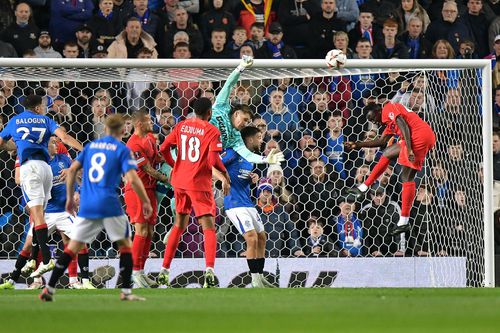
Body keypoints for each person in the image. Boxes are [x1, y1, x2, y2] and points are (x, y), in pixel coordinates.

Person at [39, 114, 152, 302]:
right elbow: (132, 178)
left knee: (72, 247)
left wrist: (69, 197)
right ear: (123, 130)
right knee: (125, 245)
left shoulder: (90, 147)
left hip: (88, 204)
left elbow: (73, 169)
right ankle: (126, 292)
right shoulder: (121, 149)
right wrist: (145, 201)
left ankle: (49, 289)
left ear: (106, 129)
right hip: (109, 204)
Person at [0, 95, 83, 278]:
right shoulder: (46, 120)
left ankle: (46, 260)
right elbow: (65, 137)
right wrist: (83, 150)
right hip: (46, 169)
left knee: (36, 215)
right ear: (38, 108)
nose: (45, 109)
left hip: (29, 167)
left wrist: (7, 144)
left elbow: (2, 143)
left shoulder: (15, 121)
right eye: (44, 106)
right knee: (41, 217)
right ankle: (33, 261)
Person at [0, 137, 94, 290]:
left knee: (80, 241)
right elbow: (21, 180)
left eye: (56, 142)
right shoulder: (37, 165)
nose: (56, 145)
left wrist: (73, 179)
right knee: (28, 246)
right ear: (44, 146)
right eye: (52, 143)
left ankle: (84, 281)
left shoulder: (63, 158)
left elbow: (77, 174)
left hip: (64, 212)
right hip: (45, 213)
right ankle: (12, 281)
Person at [157, 97, 231, 288]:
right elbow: (214, 159)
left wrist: (175, 166)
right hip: (199, 184)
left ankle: (164, 269)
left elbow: (164, 148)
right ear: (209, 113)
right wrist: (224, 174)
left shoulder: (182, 126)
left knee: (178, 225)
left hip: (180, 183)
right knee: (208, 227)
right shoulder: (211, 130)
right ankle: (209, 271)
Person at [345, 102, 436, 235]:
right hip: (422, 135)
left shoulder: (388, 108)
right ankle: (363, 188)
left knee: (406, 177)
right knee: (387, 153)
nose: (374, 123)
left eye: (373, 118)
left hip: (417, 136)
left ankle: (404, 221)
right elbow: (381, 142)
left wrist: (409, 149)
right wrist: (358, 144)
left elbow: (403, 125)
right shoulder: (389, 124)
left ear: (377, 111)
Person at [222, 126, 275, 288]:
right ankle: (255, 281)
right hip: (234, 204)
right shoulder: (232, 152)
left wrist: (253, 179)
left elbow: (240, 178)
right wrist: (221, 179)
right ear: (250, 139)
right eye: (259, 137)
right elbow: (213, 164)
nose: (261, 140)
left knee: (262, 237)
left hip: (247, 202)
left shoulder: (250, 158)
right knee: (251, 238)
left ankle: (260, 276)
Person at [209, 55, 284, 165]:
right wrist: (241, 67)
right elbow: (228, 85)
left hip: (204, 158)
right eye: (245, 119)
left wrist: (265, 159)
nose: (245, 124)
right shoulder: (221, 107)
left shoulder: (235, 137)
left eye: (248, 122)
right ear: (237, 113)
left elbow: (248, 155)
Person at [124, 110, 169, 288]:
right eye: (148, 120)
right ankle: (134, 272)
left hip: (149, 189)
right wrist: (169, 180)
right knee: (141, 230)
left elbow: (158, 157)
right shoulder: (133, 144)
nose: (152, 122)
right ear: (139, 124)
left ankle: (140, 271)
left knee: (149, 231)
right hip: (136, 190)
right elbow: (148, 169)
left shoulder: (150, 138)